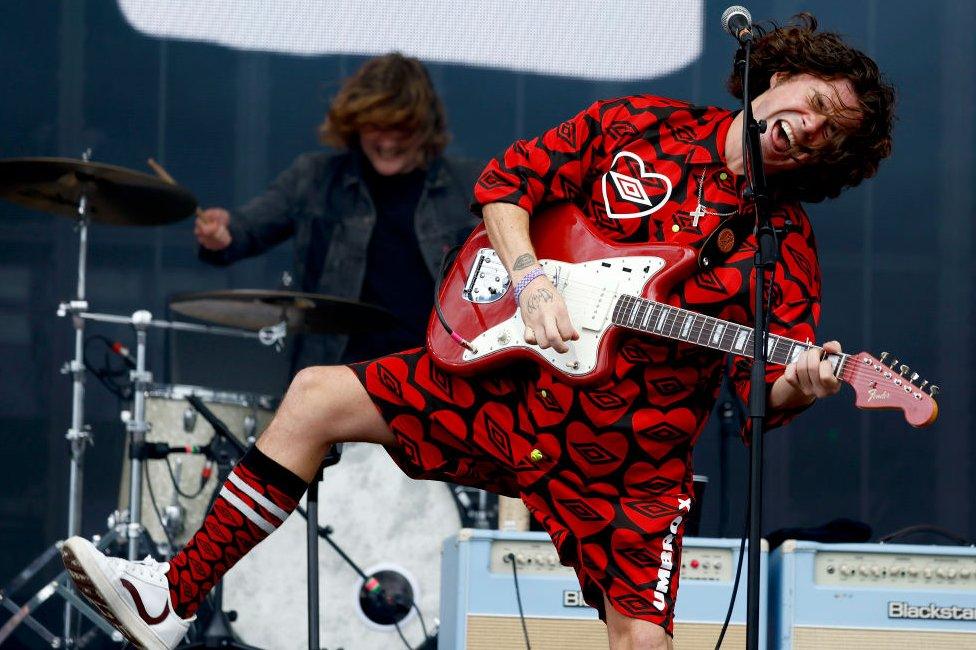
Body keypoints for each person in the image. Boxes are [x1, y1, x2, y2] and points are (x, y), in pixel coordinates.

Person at [61, 14, 894, 650]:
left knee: (643, 639)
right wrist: (530, 279)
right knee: (315, 396)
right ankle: (172, 593)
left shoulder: (782, 247)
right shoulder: (637, 125)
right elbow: (509, 183)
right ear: (779, 73)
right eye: (816, 103)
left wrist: (806, 381)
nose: (816, 127)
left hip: (630, 461)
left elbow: (758, 397)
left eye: (836, 134)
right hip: (505, 388)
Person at [194, 52, 483, 367]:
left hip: (433, 377)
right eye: (375, 127)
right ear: (355, 125)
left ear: (425, 127)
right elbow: (247, 228)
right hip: (337, 374)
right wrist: (223, 234)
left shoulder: (468, 184)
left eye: (399, 128)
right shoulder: (315, 177)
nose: (386, 142)